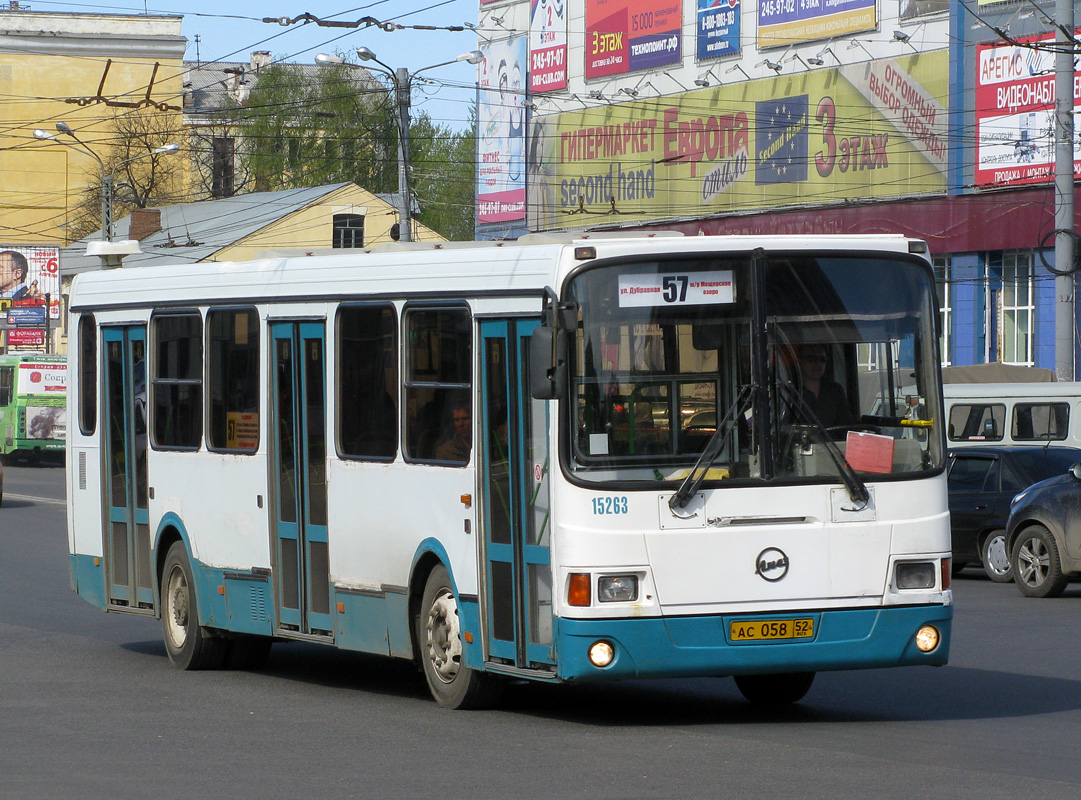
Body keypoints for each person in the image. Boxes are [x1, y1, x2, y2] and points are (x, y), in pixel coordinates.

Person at [796, 343, 854, 428]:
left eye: (822, 359)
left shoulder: (835, 391)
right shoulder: (790, 392)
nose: (817, 364)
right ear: (799, 362)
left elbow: (846, 426)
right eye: (811, 359)